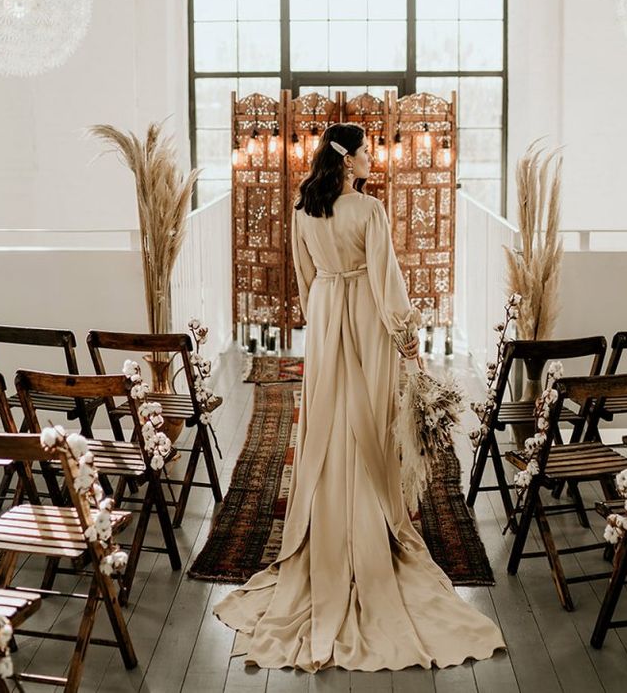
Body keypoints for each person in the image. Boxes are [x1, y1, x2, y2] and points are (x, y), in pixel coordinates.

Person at [213, 122, 505, 672]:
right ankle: (371, 515)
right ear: (349, 161)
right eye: (369, 151)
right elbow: (386, 277)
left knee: (325, 415)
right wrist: (404, 334)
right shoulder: (367, 212)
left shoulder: (303, 210)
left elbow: (303, 281)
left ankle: (326, 517)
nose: (375, 159)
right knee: (367, 415)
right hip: (364, 311)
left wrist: (322, 307)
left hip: (325, 308)